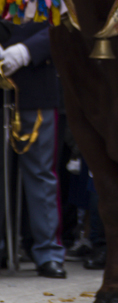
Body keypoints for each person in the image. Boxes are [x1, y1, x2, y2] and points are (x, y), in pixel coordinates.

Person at [0, 21, 66, 279]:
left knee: (40, 172)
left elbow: (64, 22)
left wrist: (28, 50)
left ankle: (48, 252)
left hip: (36, 78)